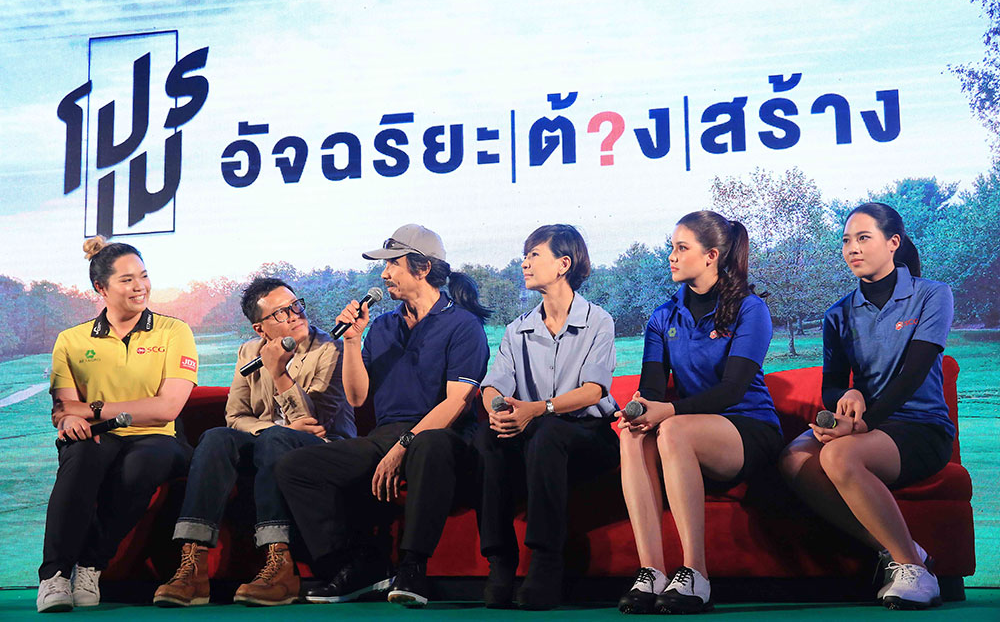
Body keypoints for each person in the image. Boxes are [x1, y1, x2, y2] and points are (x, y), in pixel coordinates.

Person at [276, 224, 489, 608]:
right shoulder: (384, 325)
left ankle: (413, 566)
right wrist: (352, 340)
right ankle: (358, 564)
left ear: (422, 268)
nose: (384, 274)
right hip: (387, 435)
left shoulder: (463, 325)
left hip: (445, 436)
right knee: (296, 467)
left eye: (392, 265)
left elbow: (456, 402)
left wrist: (404, 446)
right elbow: (357, 397)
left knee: (429, 445)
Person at [779, 203, 953, 610]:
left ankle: (914, 571)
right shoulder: (838, 313)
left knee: (839, 455)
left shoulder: (933, 294)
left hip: (919, 426)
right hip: (866, 427)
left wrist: (863, 423)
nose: (852, 249)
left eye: (863, 238)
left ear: (893, 243)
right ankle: (900, 550)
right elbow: (832, 386)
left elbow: (913, 375)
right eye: (846, 241)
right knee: (793, 459)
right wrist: (849, 396)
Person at [616, 211, 783, 614]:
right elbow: (653, 390)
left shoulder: (750, 309)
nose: (671, 257)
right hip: (688, 428)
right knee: (632, 434)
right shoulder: (663, 317)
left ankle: (696, 574)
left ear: (711, 256)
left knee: (673, 430)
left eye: (681, 248)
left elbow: (732, 390)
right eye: (671, 248)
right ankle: (652, 572)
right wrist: (638, 410)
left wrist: (667, 411)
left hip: (748, 428)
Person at [152, 277, 355, 607]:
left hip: (324, 450)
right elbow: (235, 416)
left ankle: (281, 566)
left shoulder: (330, 349)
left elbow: (315, 422)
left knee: (276, 438)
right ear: (260, 329)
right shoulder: (249, 351)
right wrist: (269, 430)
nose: (295, 315)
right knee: (216, 438)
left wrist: (279, 373)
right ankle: (193, 566)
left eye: (296, 305)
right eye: (281, 313)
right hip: (269, 445)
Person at [37, 237, 199, 613]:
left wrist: (89, 408)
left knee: (139, 463)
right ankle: (54, 576)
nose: (140, 286)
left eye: (143, 276)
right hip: (100, 437)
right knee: (79, 457)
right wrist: (70, 418)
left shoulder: (174, 331)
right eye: (127, 280)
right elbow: (63, 409)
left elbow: (167, 408)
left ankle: (91, 565)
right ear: (101, 288)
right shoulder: (71, 340)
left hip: (158, 438)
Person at [476, 224, 619, 610]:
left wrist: (539, 408)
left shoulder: (598, 321)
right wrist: (498, 411)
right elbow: (492, 385)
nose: (524, 263)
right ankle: (500, 562)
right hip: (537, 434)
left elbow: (594, 391)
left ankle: (546, 562)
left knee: (549, 431)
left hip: (590, 436)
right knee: (487, 436)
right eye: (524, 256)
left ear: (563, 264)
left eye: (534, 255)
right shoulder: (516, 330)